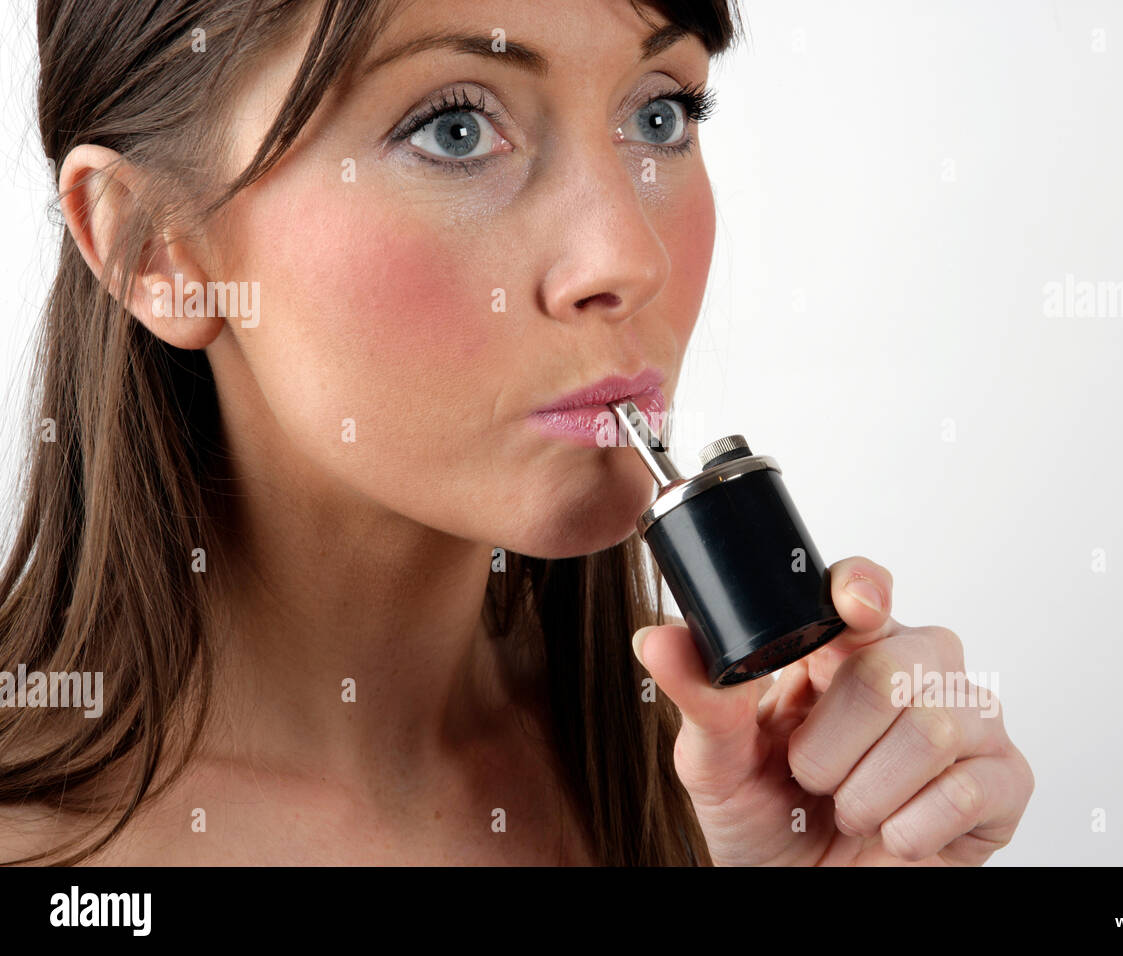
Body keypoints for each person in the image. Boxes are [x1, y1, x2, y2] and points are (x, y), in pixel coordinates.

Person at [0, 0, 1032, 866]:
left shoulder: (731, 783)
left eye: (661, 113)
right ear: (153, 248)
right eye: (454, 128)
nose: (626, 259)